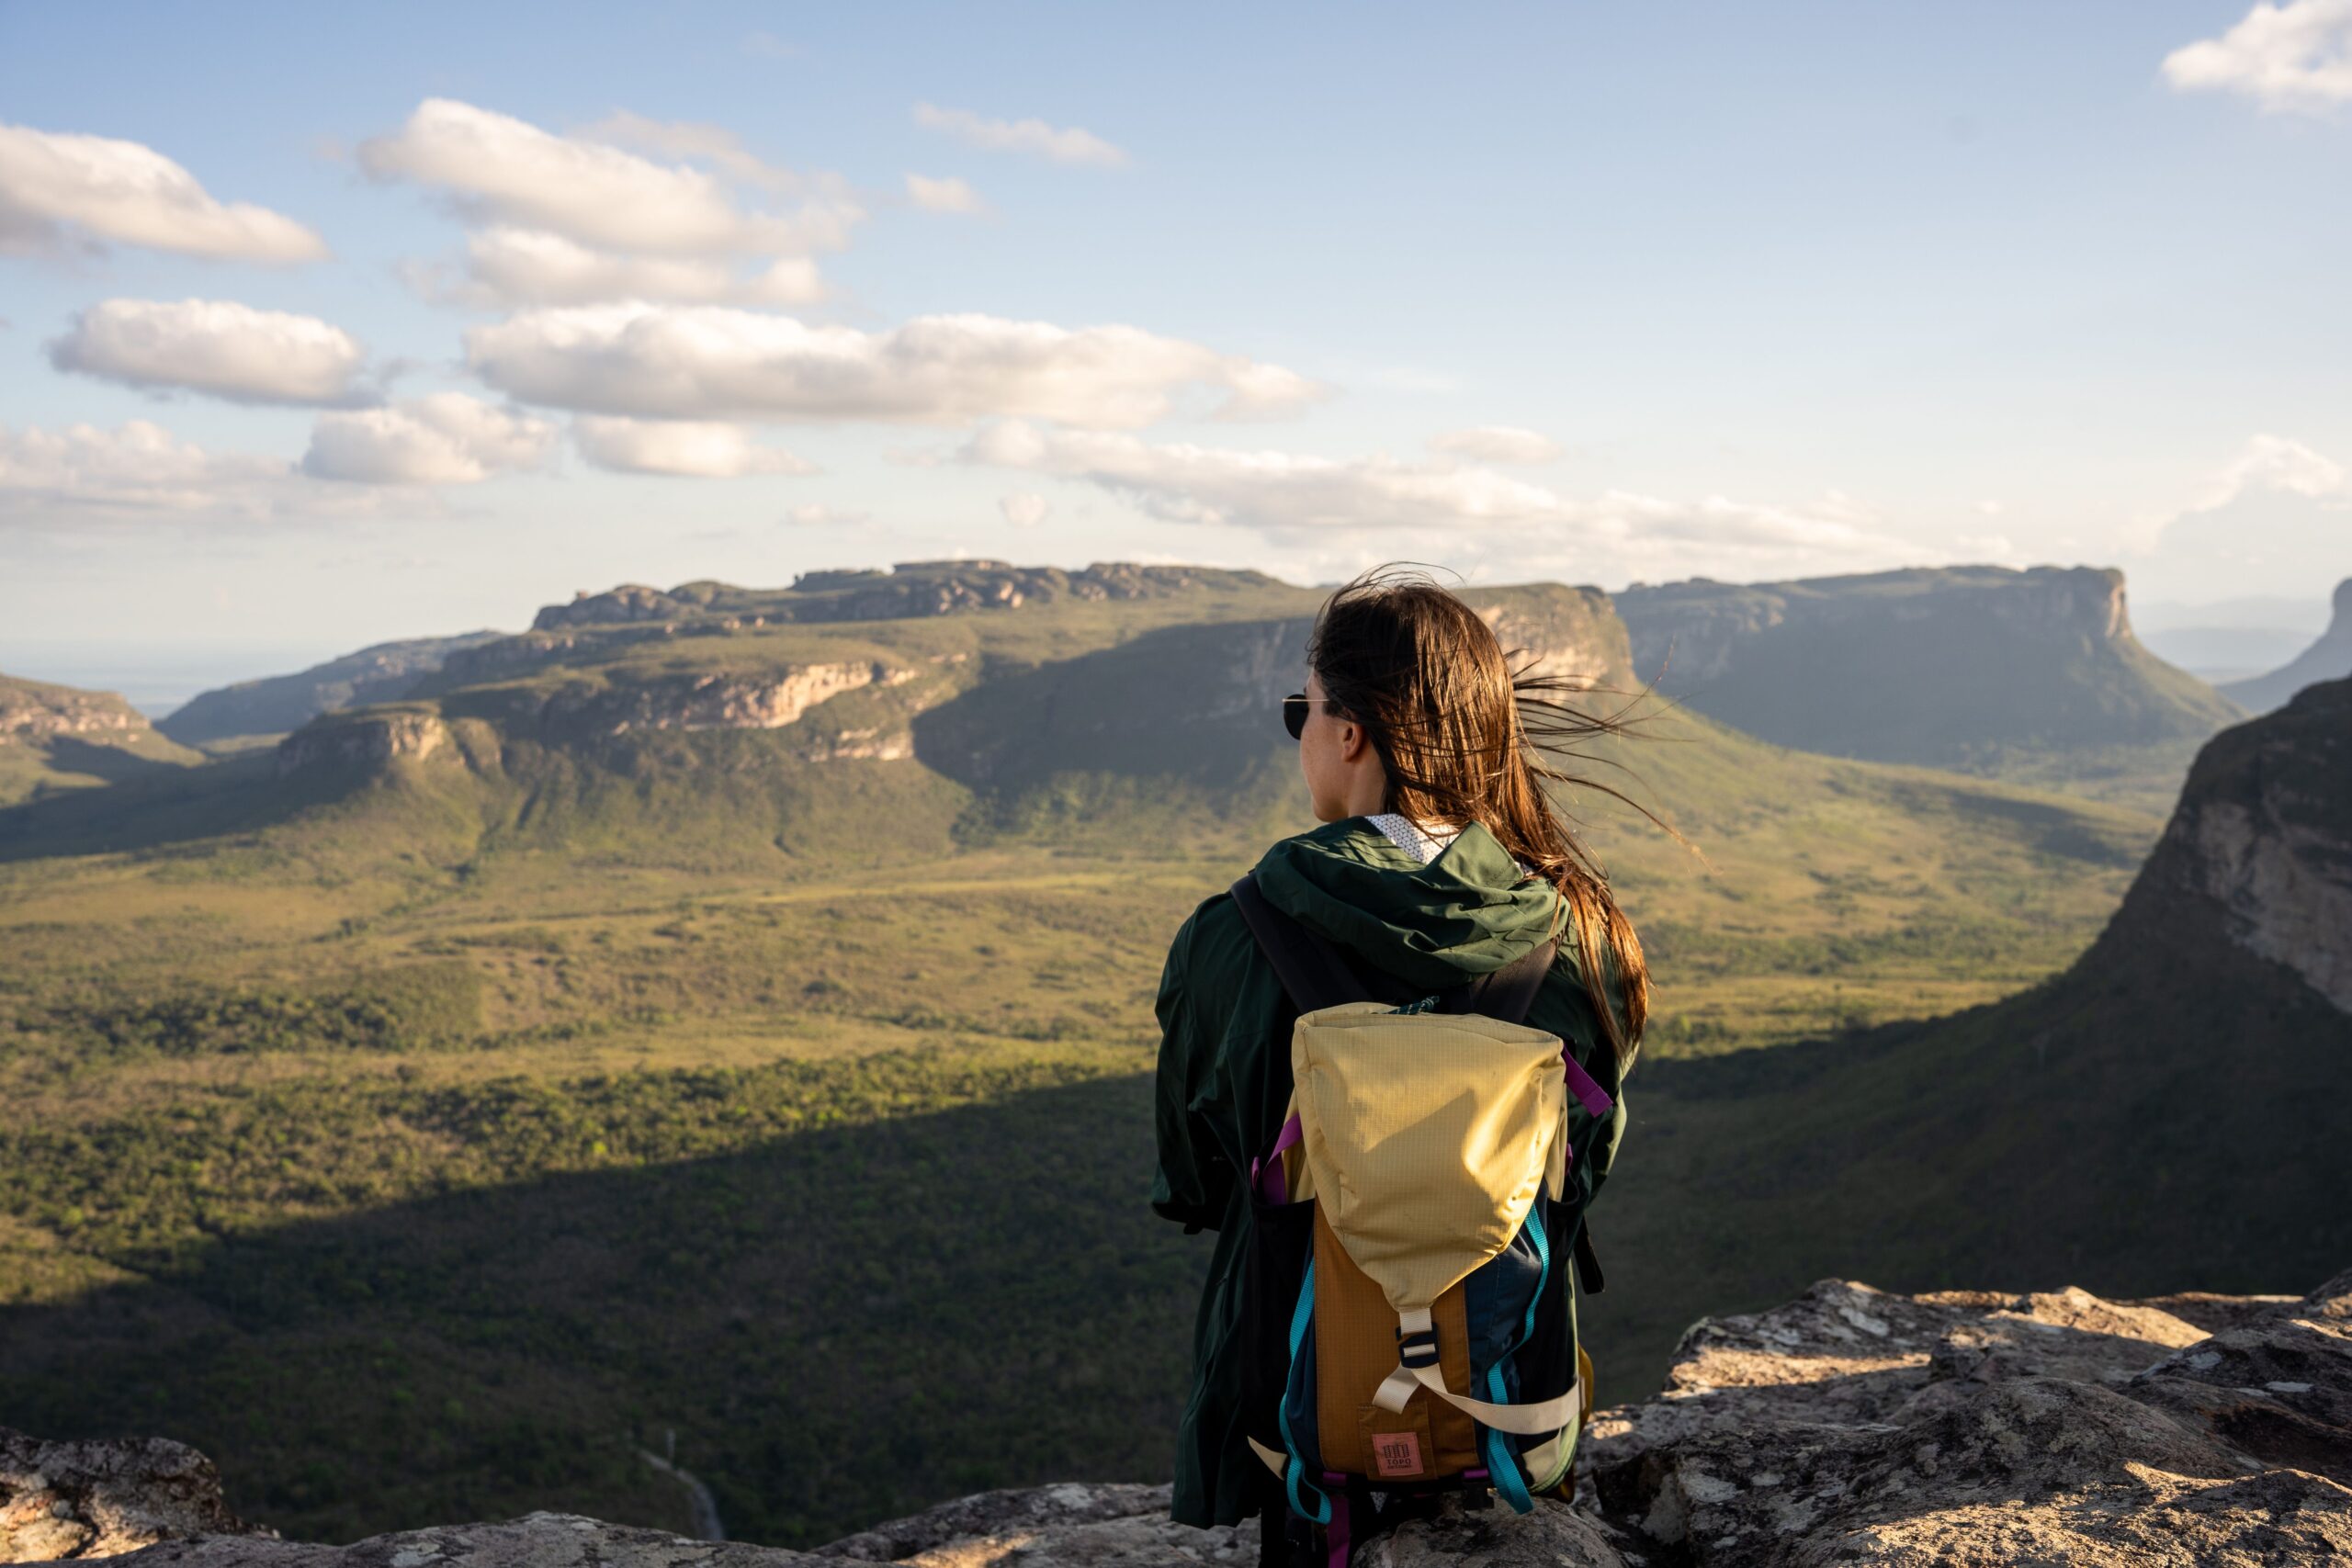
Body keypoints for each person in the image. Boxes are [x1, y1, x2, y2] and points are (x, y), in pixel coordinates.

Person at [1149, 566, 1650, 1532]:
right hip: (1510, 1409)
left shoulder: (1232, 935)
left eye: (1306, 707)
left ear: (1348, 734)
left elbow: (1193, 1176)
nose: (1301, 729)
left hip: (1292, 1417)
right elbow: (1580, 1174)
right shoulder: (1581, 938)